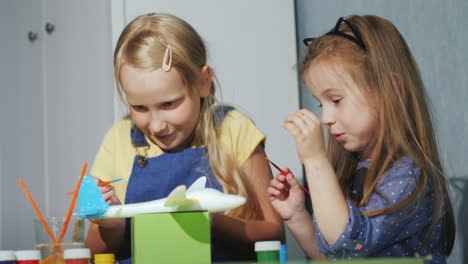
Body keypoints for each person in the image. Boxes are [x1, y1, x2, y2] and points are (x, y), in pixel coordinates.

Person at [85, 13, 284, 263]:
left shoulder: (233, 129)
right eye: (140, 108)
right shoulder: (119, 140)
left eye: (169, 103)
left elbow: (274, 234)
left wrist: (209, 221)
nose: (156, 125)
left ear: (202, 82)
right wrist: (111, 225)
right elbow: (92, 251)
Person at [268, 15, 455, 263]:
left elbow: (348, 243)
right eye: (320, 103)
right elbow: (337, 258)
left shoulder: (408, 174)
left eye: (335, 100)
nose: (325, 117)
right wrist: (297, 216)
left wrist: (315, 160)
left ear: (391, 89)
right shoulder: (355, 167)